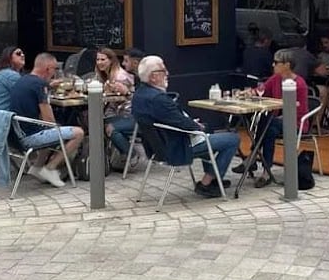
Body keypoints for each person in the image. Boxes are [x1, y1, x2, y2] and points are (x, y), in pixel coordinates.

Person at [131, 55, 239, 198]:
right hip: (176, 147)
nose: (167, 73)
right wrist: (196, 126)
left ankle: (214, 179)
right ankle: (206, 184)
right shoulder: (159, 99)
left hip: (157, 147)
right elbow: (183, 124)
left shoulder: (139, 94)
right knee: (232, 139)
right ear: (153, 77)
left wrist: (195, 125)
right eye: (163, 70)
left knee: (208, 129)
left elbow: (173, 120)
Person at [9, 52, 84, 188]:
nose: (55, 72)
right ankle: (50, 168)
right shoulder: (39, 85)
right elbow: (49, 120)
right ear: (48, 68)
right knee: (78, 132)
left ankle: (37, 168)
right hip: (29, 138)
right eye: (55, 69)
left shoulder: (23, 80)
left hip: (15, 136)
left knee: (52, 130)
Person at [252, 48, 309, 187]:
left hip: (295, 122)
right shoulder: (276, 79)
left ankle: (254, 159)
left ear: (287, 65)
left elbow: (300, 111)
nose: (273, 65)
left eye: (276, 62)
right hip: (276, 122)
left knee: (267, 123)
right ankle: (265, 171)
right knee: (269, 128)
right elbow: (262, 90)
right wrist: (249, 92)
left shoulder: (299, 84)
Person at [93, 47, 134, 157]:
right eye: (98, 59)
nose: (99, 62)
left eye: (103, 59)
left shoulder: (120, 77)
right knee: (89, 120)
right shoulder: (103, 74)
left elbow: (124, 99)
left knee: (100, 125)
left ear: (111, 60)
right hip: (114, 110)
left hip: (127, 113)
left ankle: (130, 154)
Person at [0, 46, 26, 111]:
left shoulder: (1, 73)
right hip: (1, 116)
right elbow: (24, 96)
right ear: (9, 57)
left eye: (23, 53)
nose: (22, 55)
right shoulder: (11, 75)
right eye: (18, 53)